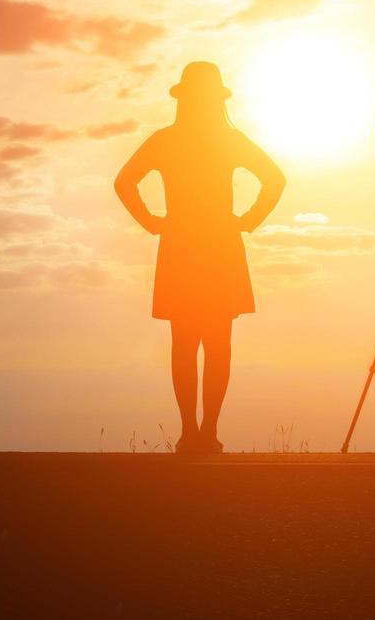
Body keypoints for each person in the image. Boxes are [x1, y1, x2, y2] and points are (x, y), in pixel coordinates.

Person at [114, 61, 285, 454]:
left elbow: (124, 183)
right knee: (217, 342)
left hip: (181, 243)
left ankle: (192, 431)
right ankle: (206, 431)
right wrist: (247, 220)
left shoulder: (166, 139)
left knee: (185, 343)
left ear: (184, 98)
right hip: (219, 243)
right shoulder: (228, 139)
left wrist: (152, 223)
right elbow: (275, 179)